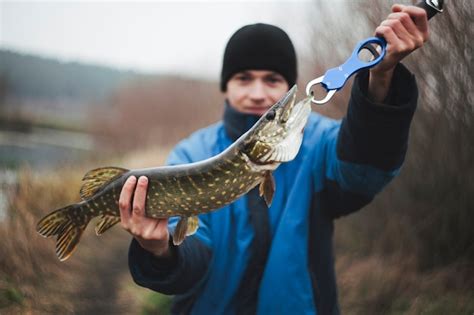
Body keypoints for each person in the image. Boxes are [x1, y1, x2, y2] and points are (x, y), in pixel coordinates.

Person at [119, 4, 428, 314]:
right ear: (226, 87)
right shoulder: (192, 154)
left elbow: (364, 172)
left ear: (287, 86)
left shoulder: (319, 144)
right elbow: (191, 261)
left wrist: (381, 78)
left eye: (271, 80)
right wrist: (160, 249)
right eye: (243, 78)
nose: (257, 93)